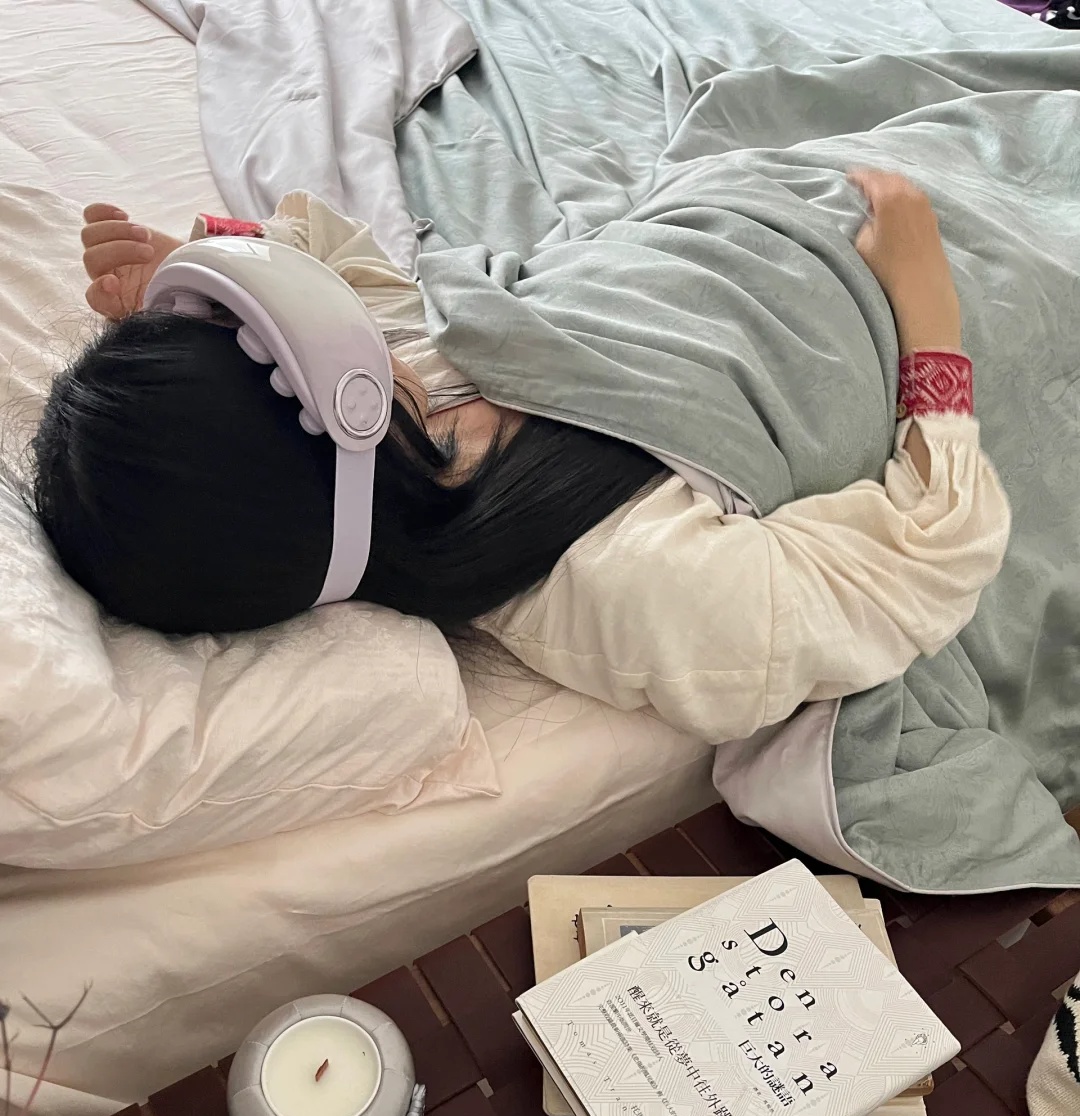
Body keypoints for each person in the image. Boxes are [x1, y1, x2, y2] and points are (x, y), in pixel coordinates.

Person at [29, 173, 1009, 746]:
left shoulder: (387, 411)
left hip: (757, 215)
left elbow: (345, 268)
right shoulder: (633, 585)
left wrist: (210, 270)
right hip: (901, 292)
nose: (333, 328)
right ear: (325, 427)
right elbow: (929, 557)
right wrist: (926, 304)